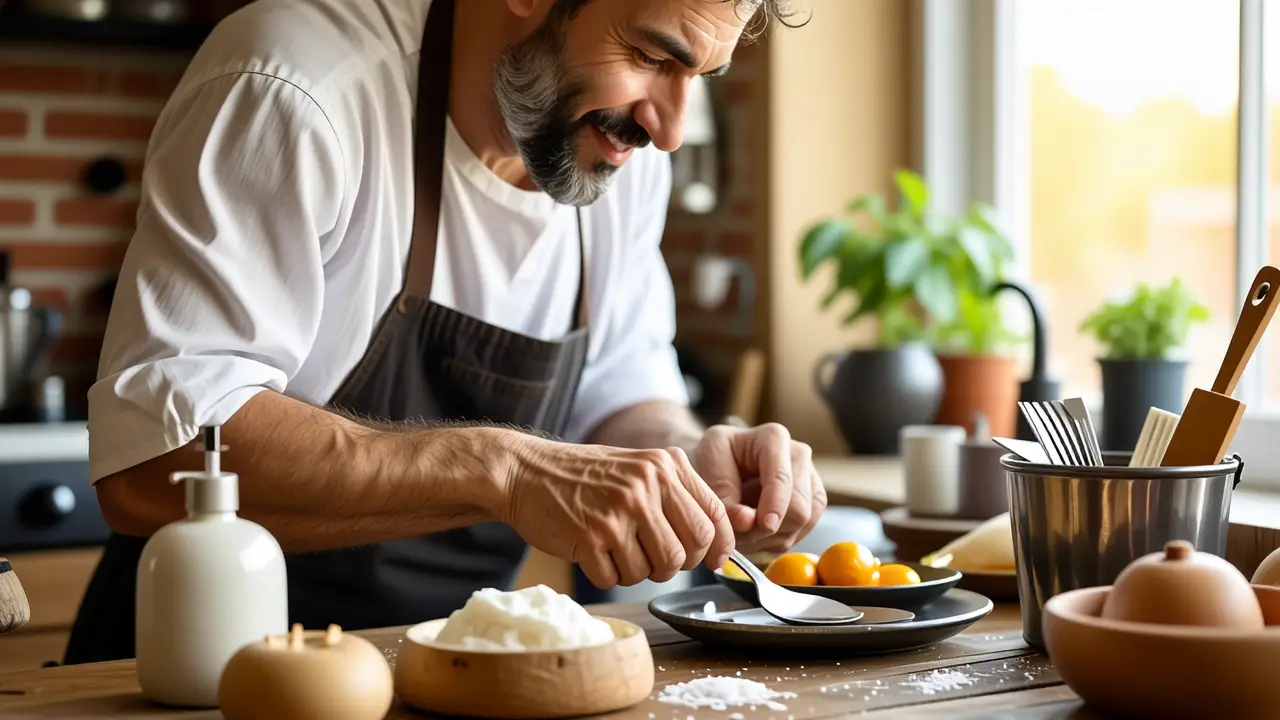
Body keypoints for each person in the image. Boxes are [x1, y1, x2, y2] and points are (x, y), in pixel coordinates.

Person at [65, 0, 824, 665]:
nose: (669, 129)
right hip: (202, 672)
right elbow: (153, 461)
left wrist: (692, 461)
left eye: (702, 77)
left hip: (439, 672)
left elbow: (622, 386)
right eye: (653, 56)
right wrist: (505, 468)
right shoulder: (294, 87)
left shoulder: (619, 156)